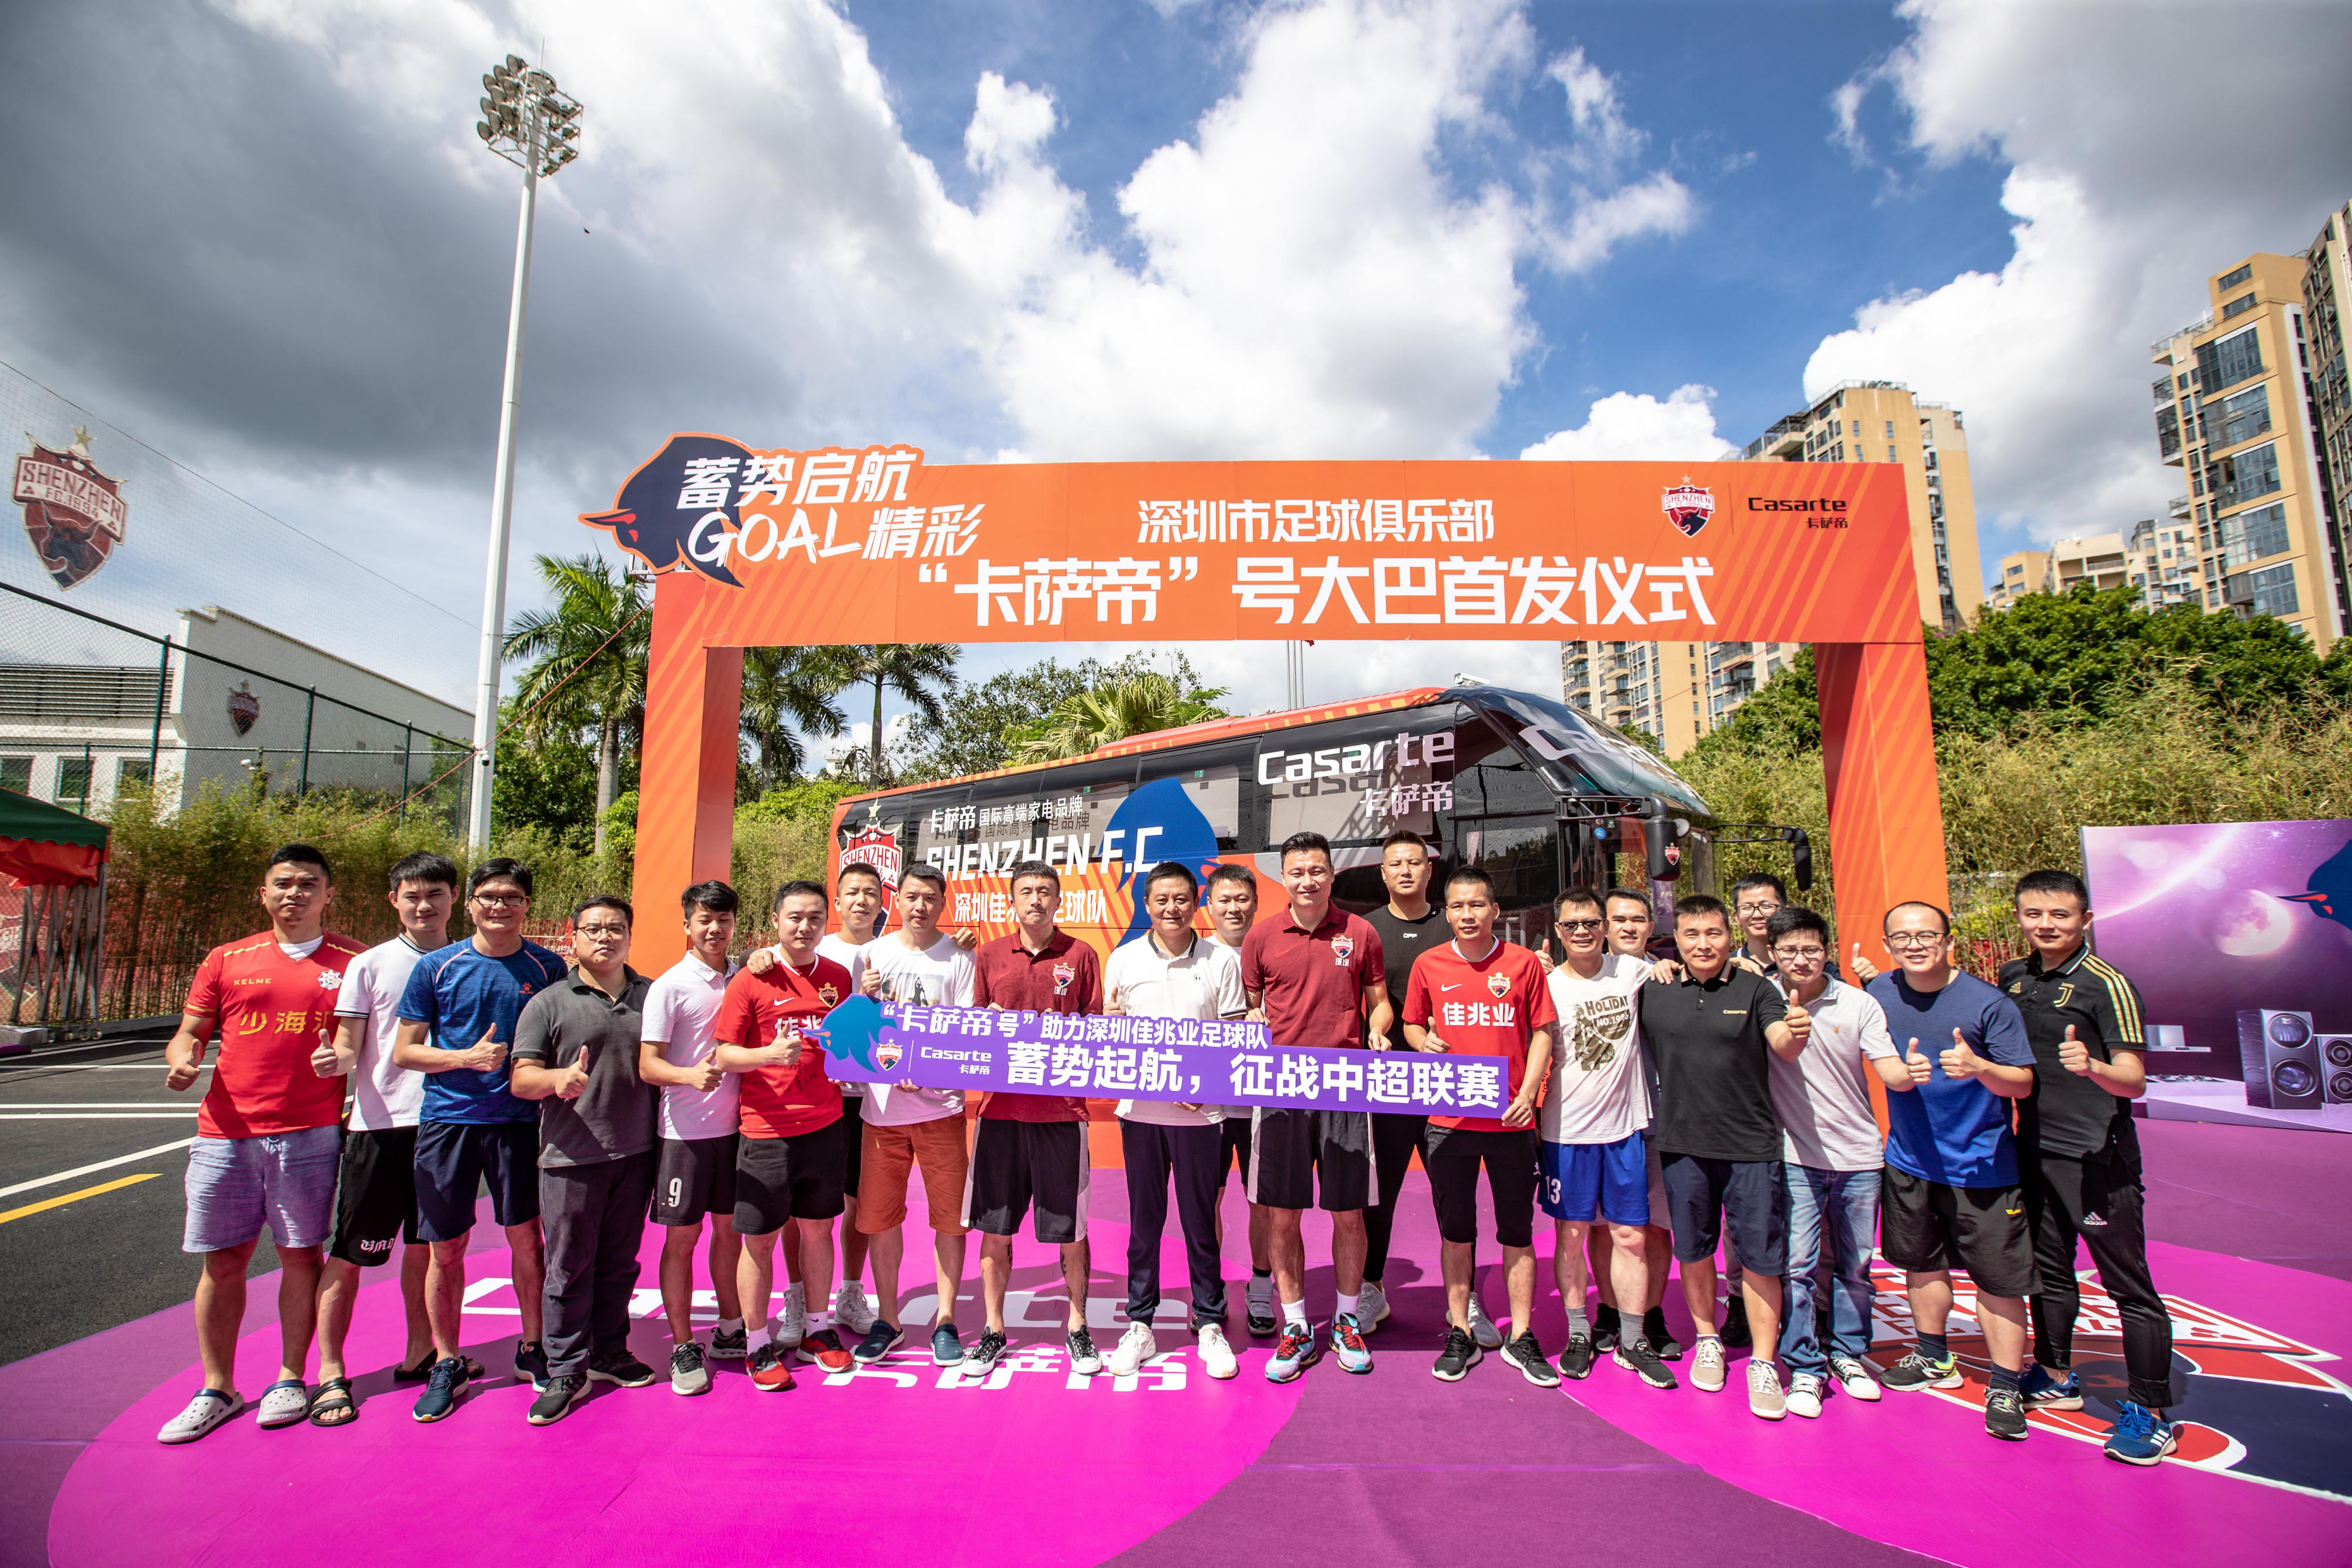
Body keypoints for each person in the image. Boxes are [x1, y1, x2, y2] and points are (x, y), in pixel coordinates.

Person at [156, 844, 368, 1443]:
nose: (294, 894)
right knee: (223, 1260)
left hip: (309, 1133)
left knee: (300, 1254)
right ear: (264, 893)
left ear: (328, 895)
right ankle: (216, 1388)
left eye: (308, 884)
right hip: (225, 1133)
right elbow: (190, 1031)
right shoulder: (227, 958)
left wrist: (341, 1062)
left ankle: (289, 1378)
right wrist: (184, 1058)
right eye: (283, 883)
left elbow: (366, 1043)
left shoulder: (356, 962)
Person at [2000, 870, 2176, 1463]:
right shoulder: (2014, 976)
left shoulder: (2108, 984)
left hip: (2096, 1157)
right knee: (2049, 1271)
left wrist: (2093, 1067)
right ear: (2019, 917)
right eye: (2034, 914)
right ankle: (2054, 1376)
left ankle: (2150, 1412)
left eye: (2060, 915)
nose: (2046, 925)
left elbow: (2135, 1080)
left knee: (2129, 1286)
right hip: (2034, 1150)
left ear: (2085, 920)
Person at [393, 858, 569, 1423]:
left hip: (520, 1123)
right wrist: (464, 1058)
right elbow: (405, 1050)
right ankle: (447, 1361)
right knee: (446, 1248)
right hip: (448, 1121)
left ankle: (533, 1345)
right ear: (469, 903)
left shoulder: (548, 966)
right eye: (489, 896)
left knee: (528, 1240)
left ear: (526, 906)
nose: (500, 906)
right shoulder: (437, 967)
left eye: (512, 897)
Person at [1867, 900, 2039, 1442]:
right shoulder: (1878, 993)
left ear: (1948, 940)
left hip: (1982, 1166)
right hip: (1909, 1159)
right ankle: (1933, 1354)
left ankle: (2006, 1384)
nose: (1915, 945)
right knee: (1921, 1265)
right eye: (1902, 937)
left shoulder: (1988, 1003)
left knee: (1999, 1281)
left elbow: (2022, 1083)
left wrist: (1981, 1067)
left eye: (1926, 935)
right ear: (1888, 945)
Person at [307, 852, 459, 1429]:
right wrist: (334, 1061)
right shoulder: (368, 965)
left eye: (435, 894)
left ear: (454, 898)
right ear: (394, 900)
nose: (425, 905)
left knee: (427, 1251)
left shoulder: (468, 960)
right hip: (379, 1128)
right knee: (350, 1254)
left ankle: (421, 1352)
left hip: (446, 1126)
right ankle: (330, 1371)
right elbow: (349, 1045)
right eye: (412, 895)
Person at [1642, 893, 1801, 1419]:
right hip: (1682, 1144)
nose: (1703, 944)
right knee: (1693, 1250)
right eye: (1692, 934)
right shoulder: (1655, 988)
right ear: (1677, 940)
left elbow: (1782, 1040)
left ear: (1729, 935)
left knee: (1759, 1258)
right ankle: (1707, 1338)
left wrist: (1794, 1033)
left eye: (1713, 933)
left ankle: (1763, 1360)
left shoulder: (1756, 988)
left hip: (1750, 1147)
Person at [1240, 831, 1389, 1382]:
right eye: (1297, 871)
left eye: (1317, 870)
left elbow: (1379, 1003)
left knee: (1349, 1213)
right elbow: (1253, 1005)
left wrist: (1377, 1030)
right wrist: (1254, 1018)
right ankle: (1298, 1325)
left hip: (1345, 1089)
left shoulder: (1361, 932)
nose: (1308, 880)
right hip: (1280, 1091)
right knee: (1283, 1215)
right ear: (1283, 876)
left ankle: (1346, 1321)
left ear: (1332, 874)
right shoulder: (1261, 936)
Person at [1402, 868, 1556, 1386]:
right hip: (1449, 1120)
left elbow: (1542, 1031)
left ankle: (1523, 1336)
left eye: (1476, 905)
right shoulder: (1429, 963)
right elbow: (1412, 1023)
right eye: (1457, 906)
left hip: (1511, 1121)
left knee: (1517, 1232)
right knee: (1456, 1233)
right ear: (1446, 912)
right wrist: (1421, 1041)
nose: (1467, 914)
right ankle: (1460, 1330)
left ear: (1494, 909)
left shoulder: (1523, 963)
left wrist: (1528, 1095)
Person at [510, 895, 659, 1423]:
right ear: (573, 937)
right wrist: (558, 1079)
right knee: (569, 1266)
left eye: (615, 928)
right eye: (593, 929)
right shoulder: (548, 1003)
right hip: (570, 1157)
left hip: (637, 1152)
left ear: (630, 935)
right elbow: (521, 1078)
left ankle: (609, 1351)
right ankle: (565, 1367)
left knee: (619, 1263)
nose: (605, 937)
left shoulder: (652, 995)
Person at [714, 881, 860, 1391]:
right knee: (760, 1241)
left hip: (826, 1126)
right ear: (776, 919)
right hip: (766, 1131)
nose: (805, 926)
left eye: (815, 917)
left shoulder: (838, 976)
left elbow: (849, 1041)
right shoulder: (751, 978)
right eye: (795, 917)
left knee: (819, 1231)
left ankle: (817, 1330)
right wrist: (768, 1055)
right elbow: (724, 1054)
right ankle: (757, 1343)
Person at [1104, 862, 1245, 1380]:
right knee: (1145, 1224)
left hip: (1201, 1118)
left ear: (1196, 902)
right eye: (1162, 899)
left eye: (1182, 898)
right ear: (1146, 905)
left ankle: (1209, 1321)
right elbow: (1112, 1034)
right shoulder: (1123, 958)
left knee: (1199, 1225)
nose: (1172, 908)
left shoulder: (1220, 959)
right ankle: (1140, 1324)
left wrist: (1207, 1085)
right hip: (1140, 1114)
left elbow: (1233, 1039)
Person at [965, 861, 1105, 1380]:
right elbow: (971, 1029)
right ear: (1012, 900)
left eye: (1045, 891)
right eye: (1026, 891)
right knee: (994, 1227)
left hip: (1062, 1112)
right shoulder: (989, 955)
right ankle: (993, 1329)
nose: (1036, 900)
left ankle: (1078, 1325)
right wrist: (988, 1023)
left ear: (1059, 900)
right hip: (1000, 1111)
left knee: (1071, 1228)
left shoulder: (1081, 954)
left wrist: (1070, 1029)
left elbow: (1096, 1026)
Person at [1760, 905, 1896, 1419]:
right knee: (1797, 1265)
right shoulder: (1762, 997)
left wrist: (1909, 1073)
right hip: (1795, 1154)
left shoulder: (1859, 1003)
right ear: (1773, 953)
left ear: (1826, 951)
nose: (1801, 959)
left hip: (1859, 1155)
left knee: (1855, 1265)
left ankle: (1849, 1354)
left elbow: (1888, 1066)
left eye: (1811, 949)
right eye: (1790, 950)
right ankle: (1804, 1365)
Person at [1359, 830, 1492, 1343]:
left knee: (1453, 1193)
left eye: (1415, 862)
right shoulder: (1367, 929)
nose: (1406, 870)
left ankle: (1465, 1297)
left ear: (1429, 869)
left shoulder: (1453, 924)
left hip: (1447, 1080)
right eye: (1396, 863)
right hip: (1388, 1079)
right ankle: (1372, 1286)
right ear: (1383, 873)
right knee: (1380, 1192)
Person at [1537, 887, 1672, 1390]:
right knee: (1572, 1236)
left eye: (1591, 923)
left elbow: (1676, 971)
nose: (1583, 932)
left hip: (1625, 1131)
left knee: (1631, 1236)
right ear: (1558, 930)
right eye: (1572, 924)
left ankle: (1633, 1340)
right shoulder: (1547, 985)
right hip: (1566, 1133)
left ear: (1605, 928)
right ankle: (1579, 1332)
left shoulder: (1632, 970)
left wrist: (1740, 964)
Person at [852, 865, 974, 1369]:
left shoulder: (960, 957)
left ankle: (946, 1319)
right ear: (896, 900)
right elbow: (857, 1029)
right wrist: (867, 999)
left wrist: (921, 1069)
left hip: (942, 1108)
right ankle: (888, 1319)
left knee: (951, 1219)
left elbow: (964, 1028)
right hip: (882, 1112)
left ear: (943, 903)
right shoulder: (872, 954)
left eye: (930, 897)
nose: (920, 906)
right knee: (881, 1219)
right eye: (911, 896)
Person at [638, 881, 747, 1396]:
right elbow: (648, 1064)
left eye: (723, 920)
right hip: (683, 1135)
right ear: (687, 924)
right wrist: (688, 1076)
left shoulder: (744, 976)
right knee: (682, 1239)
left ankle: (731, 1327)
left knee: (730, 1234)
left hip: (737, 1133)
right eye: (705, 919)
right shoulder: (670, 985)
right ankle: (683, 1343)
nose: (714, 928)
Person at [1592, 887, 1679, 1363]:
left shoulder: (1669, 976)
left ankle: (1651, 1313)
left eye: (1638, 919)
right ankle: (1608, 1310)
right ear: (1604, 926)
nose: (1628, 926)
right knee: (1603, 1225)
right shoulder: (1585, 974)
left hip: (1662, 1118)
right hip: (1603, 1121)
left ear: (1652, 926)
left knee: (1658, 1225)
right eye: (1619, 919)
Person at [811, 862, 888, 1342]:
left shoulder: (893, 950)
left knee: (861, 1201)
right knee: (810, 1205)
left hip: (874, 1099)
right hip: (821, 1097)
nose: (861, 900)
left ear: (882, 903)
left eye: (871, 893)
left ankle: (851, 1291)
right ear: (836, 901)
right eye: (852, 892)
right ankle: (802, 1299)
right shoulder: (814, 950)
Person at [1204, 863, 1277, 1336]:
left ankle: (1262, 1285)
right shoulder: (1198, 955)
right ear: (1209, 904)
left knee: (1262, 1201)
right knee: (1206, 1199)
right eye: (1224, 900)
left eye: (1242, 899)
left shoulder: (1273, 949)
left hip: (1262, 1104)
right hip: (1208, 1105)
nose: (1234, 908)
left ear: (1255, 902)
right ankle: (1208, 1289)